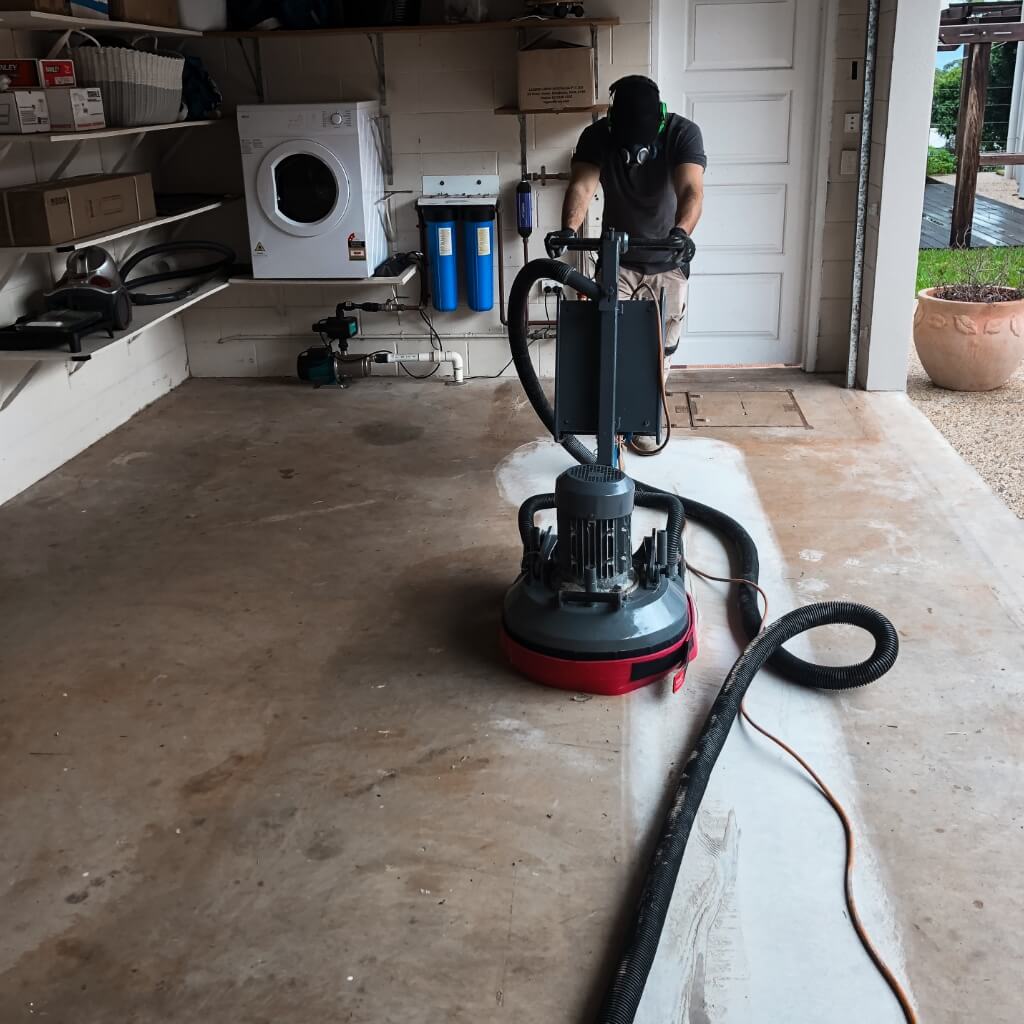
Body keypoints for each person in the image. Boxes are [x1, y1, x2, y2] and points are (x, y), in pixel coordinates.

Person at [555, 75, 706, 362]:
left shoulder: (682, 133)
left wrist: (681, 232)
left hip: (668, 262)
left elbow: (691, 189)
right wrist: (568, 229)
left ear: (660, 116)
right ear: (611, 120)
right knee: (610, 349)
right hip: (617, 265)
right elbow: (582, 186)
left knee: (660, 354)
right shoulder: (597, 136)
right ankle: (613, 408)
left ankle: (653, 408)